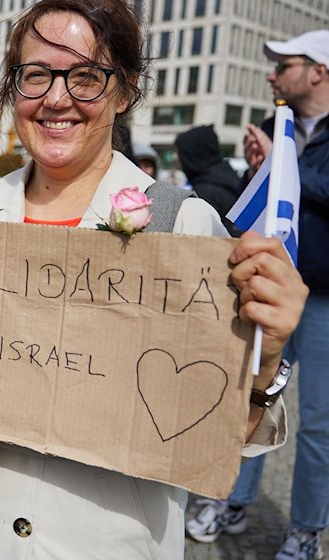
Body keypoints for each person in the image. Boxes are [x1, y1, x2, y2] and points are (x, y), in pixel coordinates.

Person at [0, 0, 307, 557]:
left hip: (102, 539)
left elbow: (225, 436)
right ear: (13, 88)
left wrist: (266, 359)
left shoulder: (183, 226)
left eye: (86, 77)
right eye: (36, 75)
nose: (57, 99)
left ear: (125, 89)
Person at [187, 29, 329, 560]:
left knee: (317, 422)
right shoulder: (279, 126)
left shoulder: (285, 136)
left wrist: (282, 160)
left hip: (321, 300)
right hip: (262, 289)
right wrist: (266, 165)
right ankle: (233, 501)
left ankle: (306, 528)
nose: (273, 74)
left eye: (285, 64)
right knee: (249, 396)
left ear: (318, 71)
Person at [174, 124, 243, 236]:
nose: (176, 158)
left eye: (180, 152)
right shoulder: (230, 179)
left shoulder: (205, 190)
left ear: (193, 153)